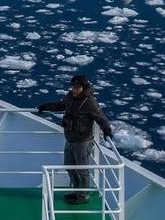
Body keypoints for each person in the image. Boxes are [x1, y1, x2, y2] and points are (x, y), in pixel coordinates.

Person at [37, 74, 114, 205]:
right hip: (70, 138)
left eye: (77, 87)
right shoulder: (70, 97)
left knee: (82, 169)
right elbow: (61, 105)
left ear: (83, 87)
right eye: (73, 86)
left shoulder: (89, 102)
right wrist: (46, 106)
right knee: (69, 166)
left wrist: (107, 130)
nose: (74, 89)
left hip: (83, 140)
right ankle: (77, 191)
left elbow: (100, 117)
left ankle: (83, 195)